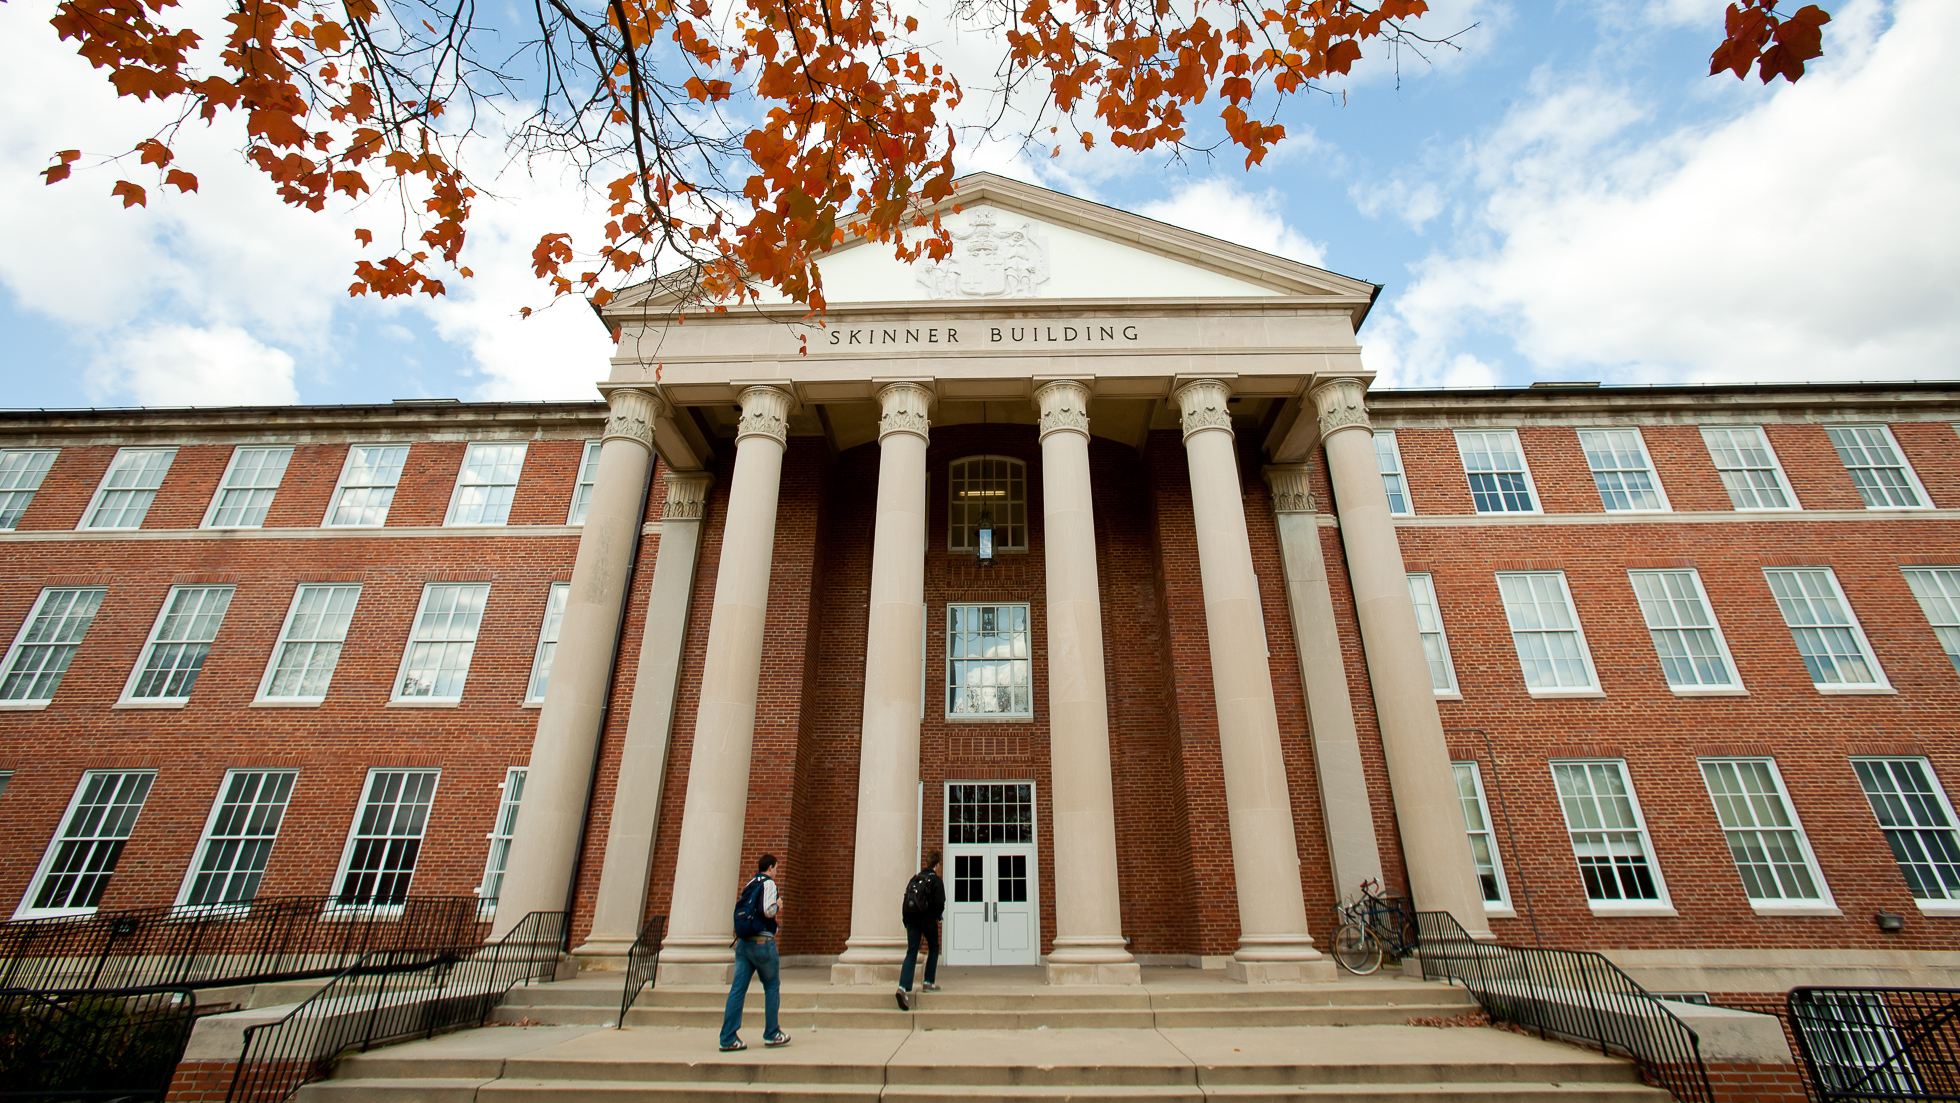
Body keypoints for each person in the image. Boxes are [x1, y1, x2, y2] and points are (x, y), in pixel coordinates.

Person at [720, 854, 789, 1051]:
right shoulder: (768, 884)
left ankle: (727, 1038)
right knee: (772, 986)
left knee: (738, 989)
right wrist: (778, 905)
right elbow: (768, 910)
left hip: (743, 944)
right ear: (769, 868)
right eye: (775, 868)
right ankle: (772, 1033)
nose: (776, 871)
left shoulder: (750, 883)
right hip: (762, 943)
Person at [895, 849, 946, 1011]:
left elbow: (906, 899)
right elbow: (939, 903)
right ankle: (928, 982)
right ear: (937, 864)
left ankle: (903, 987)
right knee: (933, 947)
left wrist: (906, 921)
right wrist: (936, 917)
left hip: (911, 919)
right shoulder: (936, 881)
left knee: (912, 952)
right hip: (927, 920)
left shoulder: (915, 878)